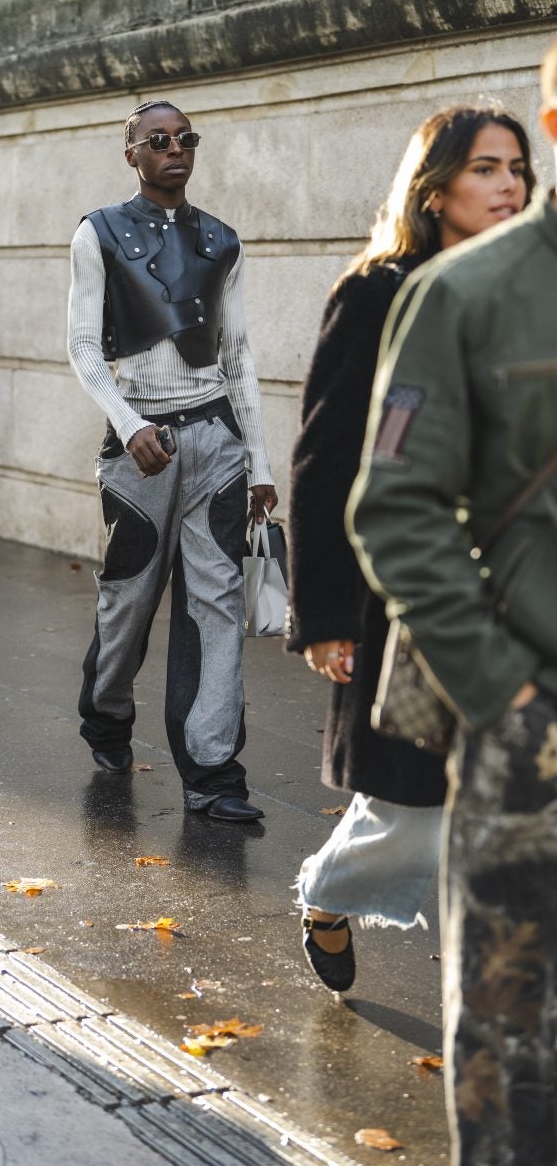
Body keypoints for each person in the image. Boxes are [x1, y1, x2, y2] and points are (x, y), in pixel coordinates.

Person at [347, 47, 557, 1166]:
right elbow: (393, 508)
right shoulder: (461, 294)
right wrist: (501, 691)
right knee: (510, 1042)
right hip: (532, 735)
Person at [286, 104, 534, 991]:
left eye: (517, 168)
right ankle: (328, 889)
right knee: (414, 813)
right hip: (410, 599)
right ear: (434, 191)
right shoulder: (378, 292)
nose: (509, 185)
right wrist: (321, 613)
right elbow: (326, 458)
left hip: (521, 597)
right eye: (486, 169)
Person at [67, 99, 277, 822]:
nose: (174, 149)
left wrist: (263, 463)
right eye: (157, 140)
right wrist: (128, 426)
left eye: (185, 138)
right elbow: (84, 347)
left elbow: (239, 356)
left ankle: (213, 773)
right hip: (138, 445)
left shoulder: (223, 242)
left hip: (215, 439)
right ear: (132, 154)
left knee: (215, 602)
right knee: (129, 595)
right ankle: (106, 715)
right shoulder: (97, 233)